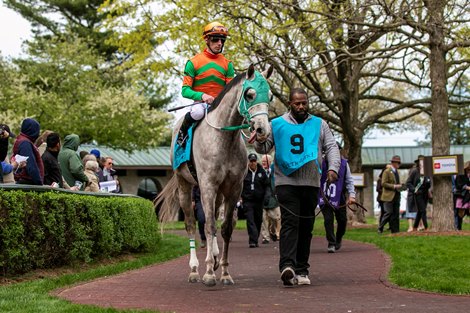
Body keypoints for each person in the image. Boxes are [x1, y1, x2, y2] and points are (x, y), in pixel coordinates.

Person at [254, 87, 340, 286]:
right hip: (286, 182)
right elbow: (263, 147)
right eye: (297, 103)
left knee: (306, 226)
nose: (301, 106)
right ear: (289, 103)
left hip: (311, 183)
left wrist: (333, 168)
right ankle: (287, 266)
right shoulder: (276, 124)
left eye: (304, 103)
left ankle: (302, 269)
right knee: (291, 222)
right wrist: (259, 138)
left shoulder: (320, 124)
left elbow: (331, 147)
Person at [176, 21, 235, 146]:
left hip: (220, 105)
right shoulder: (193, 62)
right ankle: (182, 133)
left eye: (222, 40)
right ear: (207, 40)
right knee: (197, 113)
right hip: (201, 105)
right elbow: (185, 90)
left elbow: (231, 90)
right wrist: (203, 96)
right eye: (215, 39)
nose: (219, 43)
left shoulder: (228, 64)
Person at [319, 143, 356, 253]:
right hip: (324, 196)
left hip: (339, 197)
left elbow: (349, 180)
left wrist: (352, 195)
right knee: (328, 219)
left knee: (342, 220)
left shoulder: (344, 164)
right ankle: (331, 242)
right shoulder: (320, 163)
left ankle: (338, 238)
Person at [240, 153, 269, 248]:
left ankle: (255, 238)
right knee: (250, 220)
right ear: (248, 162)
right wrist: (241, 197)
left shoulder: (262, 172)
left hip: (259, 201)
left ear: (257, 161)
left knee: (258, 220)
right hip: (248, 200)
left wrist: (266, 197)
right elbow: (240, 185)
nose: (253, 163)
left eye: (254, 161)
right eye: (251, 161)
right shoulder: (244, 173)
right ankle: (252, 240)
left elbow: (267, 186)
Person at [377, 155, 405, 234]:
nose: (399, 164)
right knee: (388, 213)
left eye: (399, 163)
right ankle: (380, 227)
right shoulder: (387, 171)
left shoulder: (397, 172)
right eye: (397, 163)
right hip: (388, 196)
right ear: (393, 163)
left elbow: (396, 183)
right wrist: (394, 186)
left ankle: (395, 230)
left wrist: (401, 186)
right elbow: (383, 183)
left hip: (396, 195)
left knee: (396, 214)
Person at [12, 118, 44, 185]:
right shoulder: (25, 143)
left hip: (27, 182)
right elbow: (31, 166)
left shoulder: (24, 141)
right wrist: (39, 183)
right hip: (27, 183)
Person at [406, 156, 432, 231]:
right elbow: (408, 183)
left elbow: (428, 184)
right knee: (423, 210)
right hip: (418, 193)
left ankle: (415, 227)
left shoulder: (427, 171)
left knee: (420, 211)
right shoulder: (415, 171)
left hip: (425, 194)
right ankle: (426, 227)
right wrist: (414, 190)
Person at [260, 154, 281, 244]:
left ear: (270, 162)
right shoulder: (260, 172)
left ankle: (274, 231)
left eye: (266, 162)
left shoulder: (274, 171)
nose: (264, 163)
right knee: (263, 219)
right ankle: (266, 237)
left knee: (277, 218)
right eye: (263, 162)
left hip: (273, 199)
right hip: (262, 199)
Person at [454, 161, 470, 230]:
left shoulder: (468, 175)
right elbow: (458, 185)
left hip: (468, 196)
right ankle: (458, 227)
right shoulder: (460, 174)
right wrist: (466, 187)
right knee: (461, 212)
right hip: (461, 196)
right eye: (468, 169)